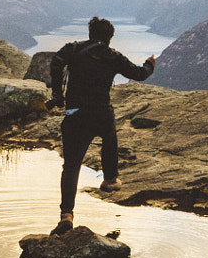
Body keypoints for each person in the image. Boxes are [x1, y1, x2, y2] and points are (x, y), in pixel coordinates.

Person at [46, 16, 154, 236]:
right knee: (109, 134)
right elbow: (139, 74)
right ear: (110, 37)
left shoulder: (74, 49)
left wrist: (58, 94)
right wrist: (149, 65)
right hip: (100, 112)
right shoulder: (113, 56)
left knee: (72, 166)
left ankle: (67, 215)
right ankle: (110, 179)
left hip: (76, 114)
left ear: (90, 33)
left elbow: (56, 62)